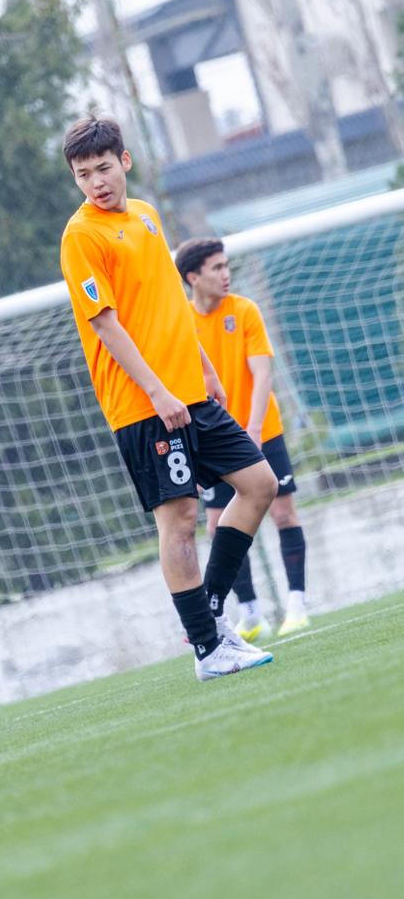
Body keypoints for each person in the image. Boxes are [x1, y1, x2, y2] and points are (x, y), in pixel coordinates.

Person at [59, 116, 279, 680]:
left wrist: (203, 366)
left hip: (189, 392)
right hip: (143, 404)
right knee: (179, 520)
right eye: (83, 175)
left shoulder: (146, 216)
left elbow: (169, 302)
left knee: (260, 484)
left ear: (125, 161)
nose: (96, 183)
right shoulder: (82, 236)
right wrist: (157, 392)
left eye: (103, 168)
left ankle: (209, 614)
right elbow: (105, 324)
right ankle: (208, 650)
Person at [174, 236, 310, 640]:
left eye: (226, 265)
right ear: (193, 277)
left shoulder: (245, 310)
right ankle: (250, 613)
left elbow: (263, 374)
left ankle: (297, 604)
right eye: (216, 267)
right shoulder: (181, 321)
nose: (226, 274)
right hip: (214, 439)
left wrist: (252, 429)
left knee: (283, 513)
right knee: (218, 526)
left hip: (262, 430)